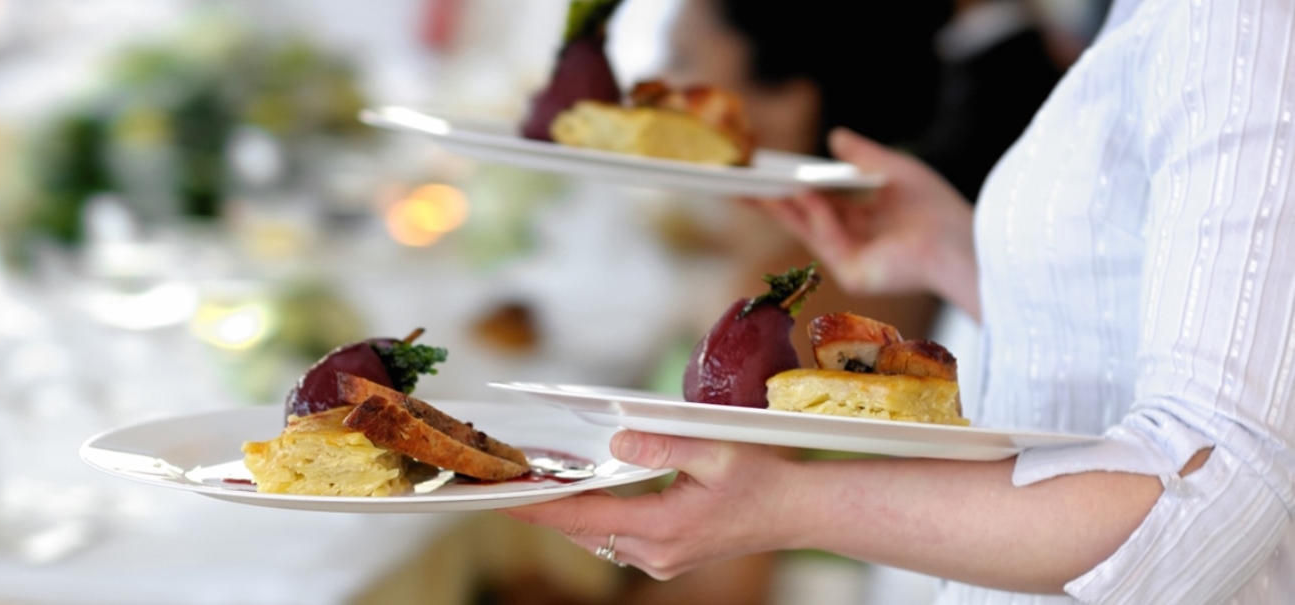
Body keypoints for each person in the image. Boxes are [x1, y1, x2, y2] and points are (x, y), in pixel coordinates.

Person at [504, 0, 1295, 602]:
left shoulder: (1237, 23)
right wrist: (956, 254)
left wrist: (787, 505)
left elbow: (1212, 485)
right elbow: (1126, 356)